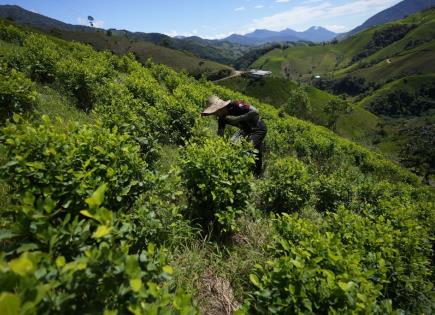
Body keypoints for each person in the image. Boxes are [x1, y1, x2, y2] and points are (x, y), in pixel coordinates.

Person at [201, 95, 267, 177]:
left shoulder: (235, 105)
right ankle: (257, 173)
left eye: (216, 111)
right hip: (245, 130)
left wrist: (238, 119)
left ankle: (252, 174)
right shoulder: (221, 118)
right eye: (214, 112)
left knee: (248, 148)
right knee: (238, 146)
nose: (216, 114)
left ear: (221, 107)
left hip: (258, 128)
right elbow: (220, 135)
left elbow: (255, 112)